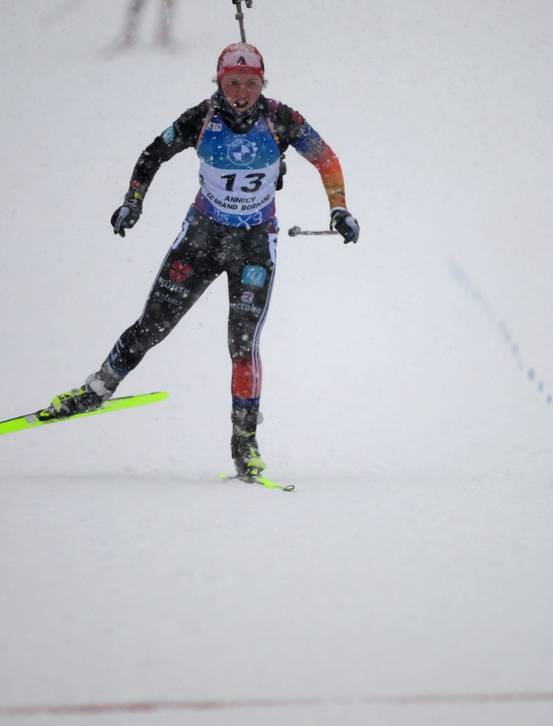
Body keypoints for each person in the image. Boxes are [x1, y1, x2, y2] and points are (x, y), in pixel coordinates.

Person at [48, 42, 359, 479]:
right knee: (152, 325)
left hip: (254, 242)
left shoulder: (281, 119)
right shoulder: (201, 118)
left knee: (242, 344)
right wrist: (132, 202)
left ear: (263, 84)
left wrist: (339, 208)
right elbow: (152, 154)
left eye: (251, 83)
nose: (241, 92)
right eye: (233, 83)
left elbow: (325, 158)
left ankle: (245, 444)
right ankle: (96, 389)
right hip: (202, 238)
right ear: (218, 82)